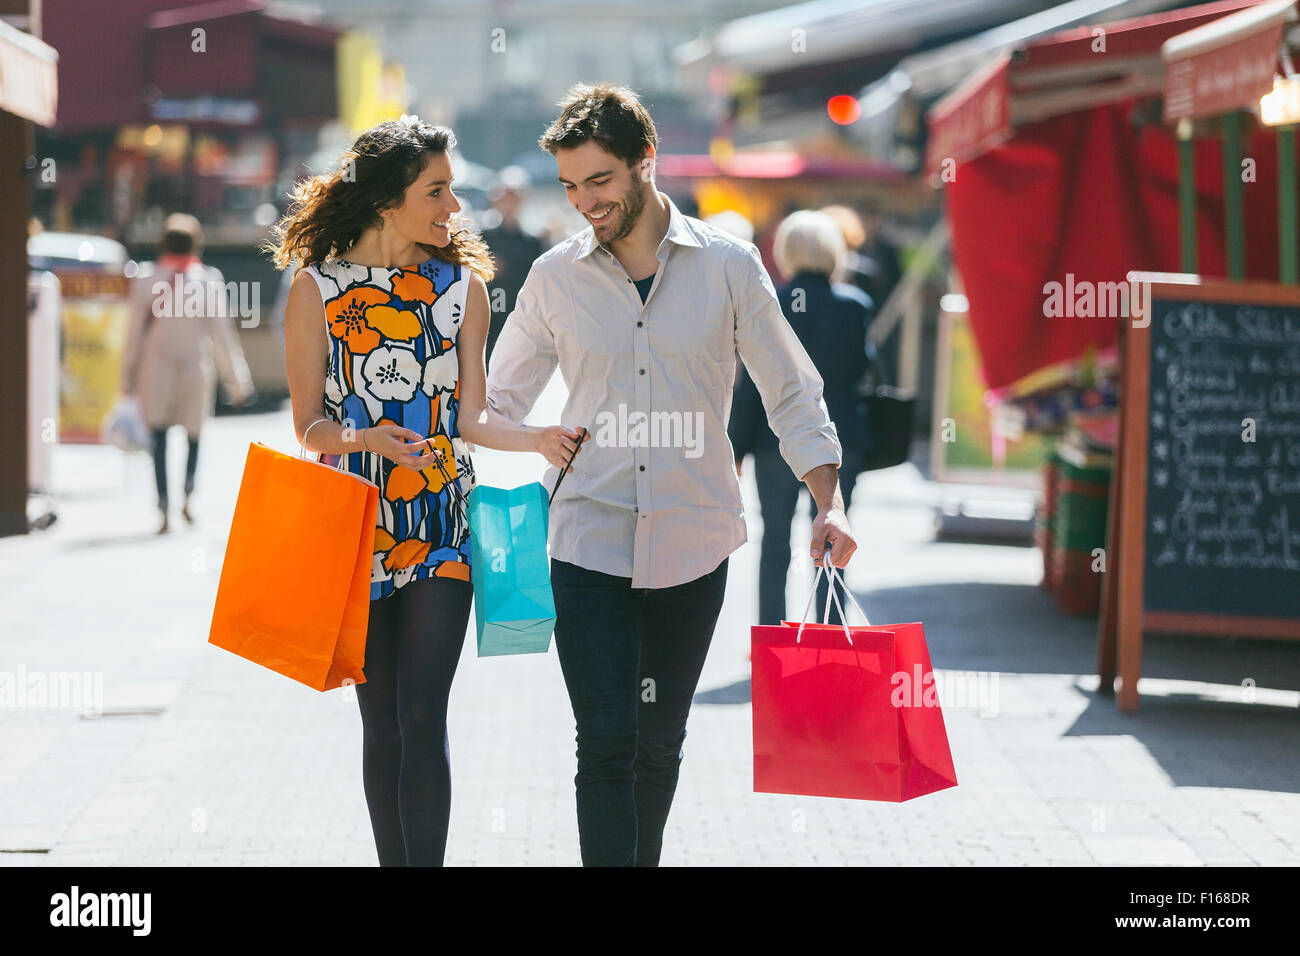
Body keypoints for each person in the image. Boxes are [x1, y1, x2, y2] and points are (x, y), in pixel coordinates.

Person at [486, 83, 857, 866]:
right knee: (608, 742)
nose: (585, 201)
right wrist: (533, 439)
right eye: (571, 186)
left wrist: (832, 502)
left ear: (644, 162)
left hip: (693, 540)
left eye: (600, 181)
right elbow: (493, 400)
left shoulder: (728, 267)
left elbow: (792, 389)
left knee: (658, 744)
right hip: (587, 537)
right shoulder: (555, 278)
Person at [265, 115, 585, 867]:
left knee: (422, 709)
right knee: (380, 721)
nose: (454, 207)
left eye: (452, 190)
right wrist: (361, 439)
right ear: (385, 199)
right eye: (436, 191)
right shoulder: (315, 290)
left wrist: (536, 436)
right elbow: (307, 425)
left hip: (444, 521)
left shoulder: (461, 289)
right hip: (356, 524)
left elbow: (472, 418)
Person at [730, 210, 875, 627]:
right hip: (838, 442)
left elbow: (753, 384)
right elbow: (865, 369)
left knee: (774, 542)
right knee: (833, 540)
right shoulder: (855, 305)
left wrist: (736, 447)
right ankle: (831, 635)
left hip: (773, 440)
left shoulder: (772, 302)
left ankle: (770, 640)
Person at [120, 213, 254, 534]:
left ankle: (164, 507)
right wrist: (238, 381)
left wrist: (126, 377)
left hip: (156, 369)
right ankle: (188, 498)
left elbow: (133, 334)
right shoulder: (208, 279)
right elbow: (222, 335)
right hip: (195, 368)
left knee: (159, 437)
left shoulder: (146, 278)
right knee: (194, 435)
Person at [480, 165, 544, 363]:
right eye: (505, 195)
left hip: (519, 312)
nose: (509, 202)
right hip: (491, 311)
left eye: (514, 196)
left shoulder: (532, 240)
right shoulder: (485, 236)